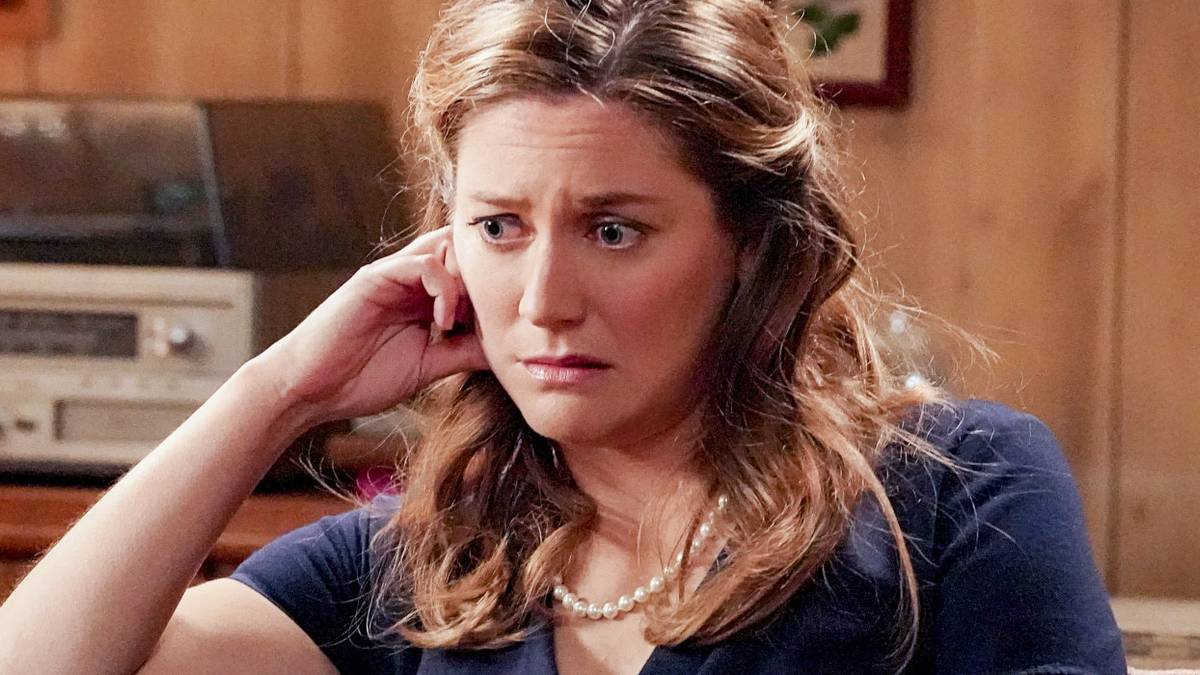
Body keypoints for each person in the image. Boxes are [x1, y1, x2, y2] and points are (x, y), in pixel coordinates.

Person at [0, 0, 1127, 673]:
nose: (542, 297)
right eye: (498, 227)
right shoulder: (420, 563)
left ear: (751, 242)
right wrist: (280, 391)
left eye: (614, 230)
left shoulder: (954, 495)